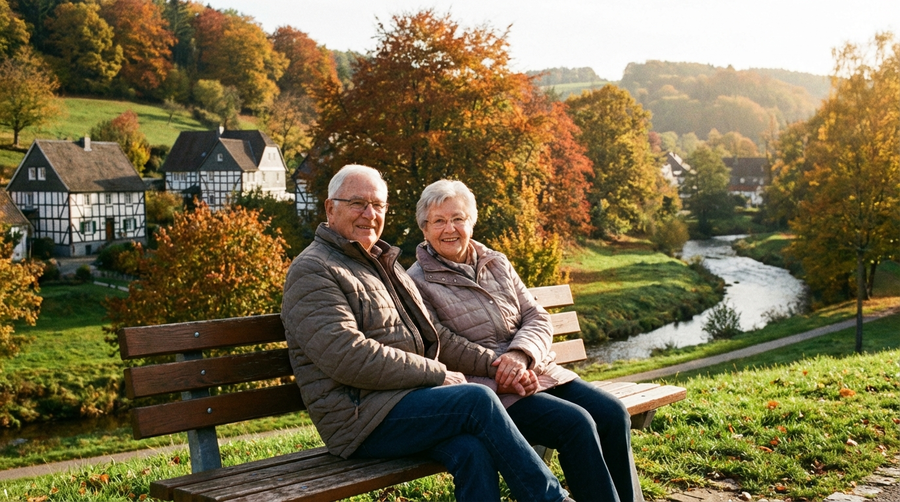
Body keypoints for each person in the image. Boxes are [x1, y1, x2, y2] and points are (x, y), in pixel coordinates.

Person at [281, 165, 573, 502]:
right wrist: (436, 375)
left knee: (472, 449)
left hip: (401, 404)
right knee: (475, 400)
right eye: (357, 203)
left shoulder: (382, 264)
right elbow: (348, 355)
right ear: (331, 208)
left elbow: (436, 337)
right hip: (359, 420)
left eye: (378, 205)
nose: (370, 214)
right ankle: (552, 499)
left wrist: (500, 366)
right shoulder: (314, 269)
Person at [407, 179, 644, 502]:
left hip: (537, 370)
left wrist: (520, 355)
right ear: (424, 229)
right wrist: (501, 368)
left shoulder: (496, 262)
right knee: (576, 424)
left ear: (471, 223)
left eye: (458, 218)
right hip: (492, 391)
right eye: (439, 221)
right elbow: (441, 342)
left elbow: (537, 315)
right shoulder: (416, 282)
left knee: (613, 413)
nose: (450, 229)